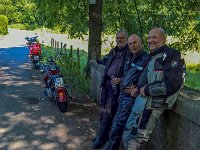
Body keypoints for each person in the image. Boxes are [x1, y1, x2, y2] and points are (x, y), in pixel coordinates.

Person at [122, 27, 184, 150]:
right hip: (140, 103)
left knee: (138, 139)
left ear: (164, 39)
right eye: (149, 37)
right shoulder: (153, 56)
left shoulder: (171, 54)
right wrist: (138, 88)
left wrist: (147, 90)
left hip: (152, 105)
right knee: (128, 133)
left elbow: (172, 84)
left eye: (154, 37)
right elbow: (146, 78)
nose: (150, 40)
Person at [103, 34, 149, 150]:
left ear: (141, 43)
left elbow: (149, 78)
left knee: (121, 125)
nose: (132, 46)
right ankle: (113, 144)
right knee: (116, 122)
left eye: (134, 43)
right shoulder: (130, 56)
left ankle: (112, 146)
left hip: (131, 98)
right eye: (130, 44)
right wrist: (121, 80)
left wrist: (138, 87)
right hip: (122, 95)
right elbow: (127, 74)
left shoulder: (146, 59)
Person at [92, 30, 129, 149]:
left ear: (127, 39)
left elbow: (131, 72)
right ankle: (102, 135)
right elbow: (107, 61)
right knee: (102, 110)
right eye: (118, 38)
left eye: (122, 38)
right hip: (106, 84)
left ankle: (101, 138)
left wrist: (121, 79)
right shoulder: (114, 51)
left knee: (108, 113)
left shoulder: (129, 53)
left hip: (116, 89)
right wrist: (99, 61)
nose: (119, 40)